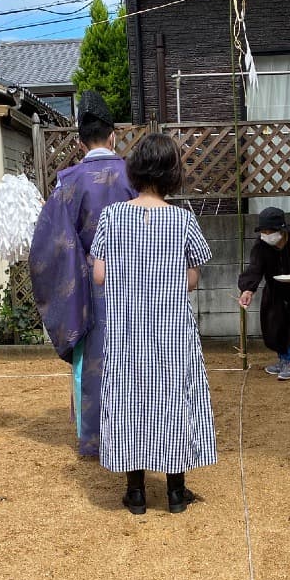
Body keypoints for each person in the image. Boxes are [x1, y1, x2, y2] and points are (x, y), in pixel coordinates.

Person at [90, 134, 217, 514]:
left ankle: (137, 493)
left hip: (127, 332)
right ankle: (176, 493)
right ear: (173, 174)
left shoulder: (112, 216)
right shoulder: (183, 220)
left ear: (135, 169)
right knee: (175, 400)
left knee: (129, 402)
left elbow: (99, 275)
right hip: (172, 332)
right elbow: (193, 279)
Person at [28, 91, 135, 458]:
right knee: (137, 359)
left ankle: (93, 438)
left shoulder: (68, 182)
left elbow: (50, 243)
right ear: (113, 135)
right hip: (137, 281)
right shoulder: (133, 175)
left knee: (90, 361)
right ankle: (137, 434)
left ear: (79, 142)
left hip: (88, 284)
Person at [237, 207, 290, 379]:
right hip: (275, 289)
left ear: (281, 230)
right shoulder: (262, 244)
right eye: (263, 231)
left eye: (269, 231)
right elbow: (255, 267)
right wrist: (248, 289)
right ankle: (283, 359)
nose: (266, 235)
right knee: (275, 324)